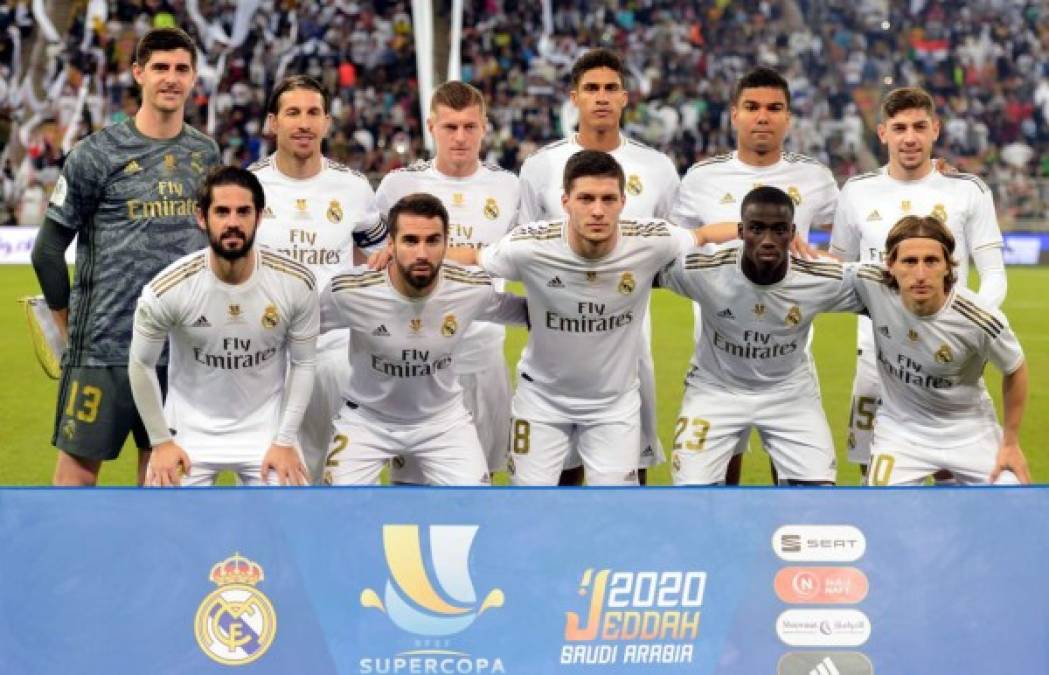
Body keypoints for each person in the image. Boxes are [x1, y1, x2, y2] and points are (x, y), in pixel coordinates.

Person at [30, 27, 220, 486]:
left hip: (179, 351)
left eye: (181, 69)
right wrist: (65, 322)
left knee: (161, 479)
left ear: (194, 78)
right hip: (105, 348)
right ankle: (69, 560)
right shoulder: (95, 154)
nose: (170, 78)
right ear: (138, 74)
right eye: (160, 68)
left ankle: (148, 561)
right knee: (76, 478)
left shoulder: (205, 153)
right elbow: (47, 250)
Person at [449, 150, 706, 486]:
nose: (597, 210)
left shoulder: (653, 239)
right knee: (530, 506)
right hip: (541, 401)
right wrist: (402, 252)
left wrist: (763, 232)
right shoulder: (529, 246)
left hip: (613, 405)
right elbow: (472, 258)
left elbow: (704, 236)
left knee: (612, 510)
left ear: (623, 202)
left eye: (607, 199)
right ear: (566, 201)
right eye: (586, 198)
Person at [518, 47, 680, 484]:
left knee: (628, 471)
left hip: (627, 342)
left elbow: (670, 252)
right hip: (556, 340)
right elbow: (527, 247)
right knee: (560, 471)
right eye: (592, 88)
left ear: (626, 97)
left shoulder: (658, 168)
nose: (602, 97)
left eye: (611, 88)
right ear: (575, 97)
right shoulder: (540, 167)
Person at [670, 66, 839, 485]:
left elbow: (852, 237)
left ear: (788, 118)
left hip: (786, 348)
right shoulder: (701, 178)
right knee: (722, 466)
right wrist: (719, 232)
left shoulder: (816, 178)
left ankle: (781, 537)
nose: (762, 116)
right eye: (752, 107)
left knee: (794, 470)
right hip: (718, 346)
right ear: (734, 115)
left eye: (773, 108)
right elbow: (677, 243)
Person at [830, 87, 1007, 474]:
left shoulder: (967, 190)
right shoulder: (856, 192)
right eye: (899, 128)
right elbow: (840, 271)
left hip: (949, 353)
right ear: (882, 133)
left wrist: (964, 325)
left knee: (949, 466)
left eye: (919, 127)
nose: (909, 137)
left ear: (935, 130)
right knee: (872, 466)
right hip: (877, 355)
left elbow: (994, 273)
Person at [129, 166, 319, 487]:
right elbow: (140, 363)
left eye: (243, 212)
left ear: (259, 217)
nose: (233, 223)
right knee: (167, 530)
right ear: (202, 218)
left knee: (288, 523)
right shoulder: (167, 289)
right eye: (222, 212)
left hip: (266, 432)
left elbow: (304, 363)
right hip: (187, 432)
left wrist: (285, 440)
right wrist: (160, 442)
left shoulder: (296, 283)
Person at [319, 193, 527, 486]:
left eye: (432, 241)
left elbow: (525, 312)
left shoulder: (471, 287)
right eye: (410, 241)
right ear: (390, 244)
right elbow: (298, 329)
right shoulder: (350, 292)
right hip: (367, 420)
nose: (422, 253)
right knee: (339, 508)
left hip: (442, 422)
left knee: (476, 507)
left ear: (446, 243)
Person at [658, 187, 862, 485]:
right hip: (715, 389)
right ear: (741, 231)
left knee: (816, 493)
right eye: (757, 229)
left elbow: (884, 287)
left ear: (792, 233)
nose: (767, 240)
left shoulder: (819, 276)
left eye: (778, 230)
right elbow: (637, 270)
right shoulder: (703, 269)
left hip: (789, 393)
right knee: (692, 493)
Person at [374, 81, 519, 482]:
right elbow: (374, 263)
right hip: (415, 359)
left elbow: (523, 260)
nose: (460, 137)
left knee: (482, 479)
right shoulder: (398, 186)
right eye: (450, 127)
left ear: (485, 127)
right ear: (431, 126)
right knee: (411, 483)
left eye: (470, 127)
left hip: (483, 355)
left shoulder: (508, 187)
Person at [251, 75, 384, 484]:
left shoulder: (354, 188)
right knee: (276, 483)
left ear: (327, 122)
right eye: (293, 113)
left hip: (336, 353)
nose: (304, 123)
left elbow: (379, 256)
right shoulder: (249, 186)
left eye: (313, 113)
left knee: (344, 481)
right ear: (273, 122)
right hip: (270, 356)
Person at [850, 216, 1028, 485]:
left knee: (1012, 496)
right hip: (901, 431)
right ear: (890, 265)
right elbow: (818, 273)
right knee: (880, 508)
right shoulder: (871, 285)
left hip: (969, 432)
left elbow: (1015, 368)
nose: (920, 274)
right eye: (909, 261)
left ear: (948, 266)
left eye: (931, 261)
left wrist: (1011, 443)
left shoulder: (979, 319)